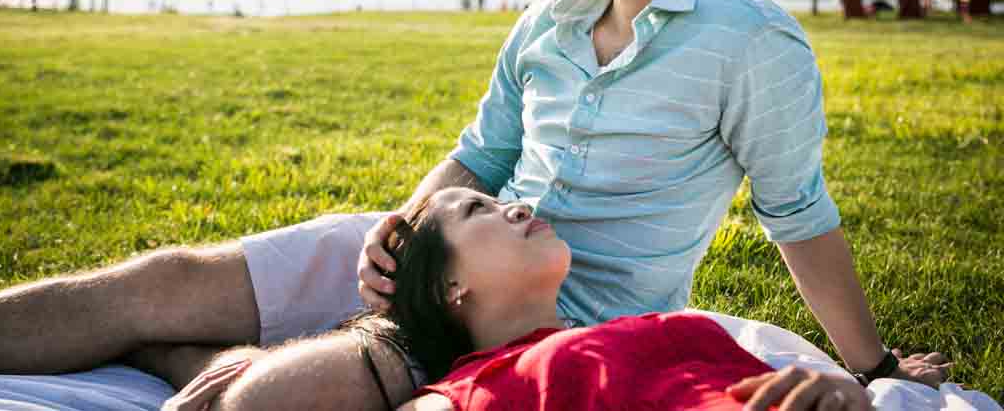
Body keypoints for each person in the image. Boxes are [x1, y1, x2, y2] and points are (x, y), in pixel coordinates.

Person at [0, 0, 948, 409]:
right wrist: (400, 225)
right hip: (452, 242)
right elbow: (478, 153)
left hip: (552, 315)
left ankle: (197, 360)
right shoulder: (549, 20)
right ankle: (157, 340)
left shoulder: (751, 41)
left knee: (295, 387)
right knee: (160, 274)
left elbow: (798, 214)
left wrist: (867, 363)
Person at [162, 187, 996, 411]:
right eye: (479, 210)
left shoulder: (675, 326)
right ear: (451, 288)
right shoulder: (472, 388)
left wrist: (851, 387)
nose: (516, 205)